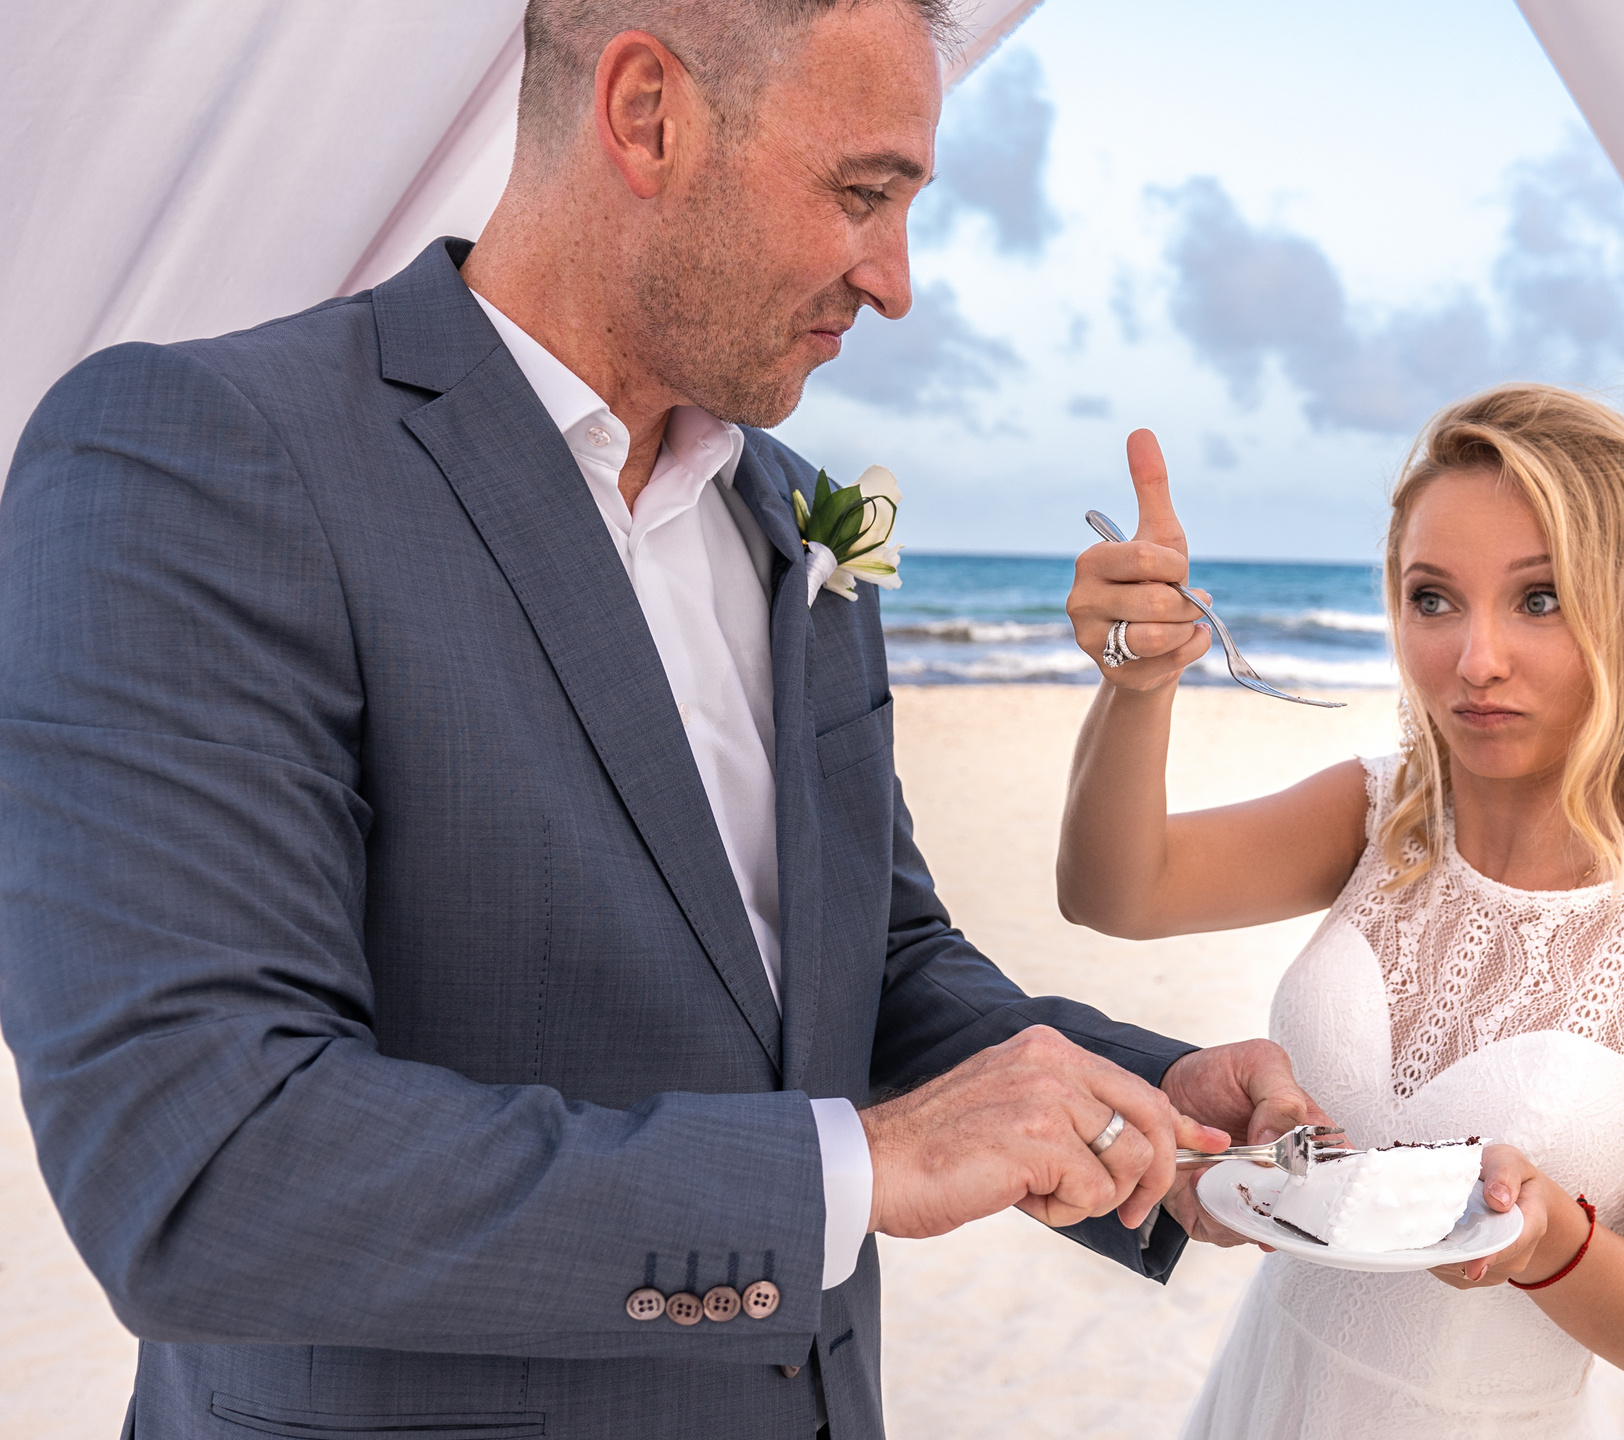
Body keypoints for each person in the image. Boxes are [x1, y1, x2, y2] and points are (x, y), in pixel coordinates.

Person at [0, 2, 1324, 1436]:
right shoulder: (197, 455)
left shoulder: (797, 519)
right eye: (861, 193)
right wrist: (857, 1173)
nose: (895, 283)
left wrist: (1153, 1107)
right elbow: (209, 1169)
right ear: (645, 114)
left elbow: (859, 967)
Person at [1061, 385, 1624, 1437]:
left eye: (1539, 598)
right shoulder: (1380, 815)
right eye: (1433, 598)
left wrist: (1552, 1242)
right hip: (1261, 1402)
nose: (1475, 661)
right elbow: (1113, 891)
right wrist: (1137, 688)